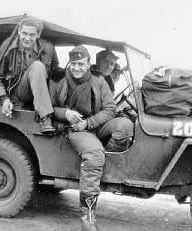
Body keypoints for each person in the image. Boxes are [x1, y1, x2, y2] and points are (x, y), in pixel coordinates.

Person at [49, 46, 133, 230]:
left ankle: (103, 168)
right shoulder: (59, 80)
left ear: (88, 64)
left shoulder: (99, 81)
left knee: (125, 126)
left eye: (81, 64)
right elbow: (49, 108)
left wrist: (88, 123)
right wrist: (66, 113)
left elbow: (110, 109)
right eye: (73, 64)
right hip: (75, 129)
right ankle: (87, 218)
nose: (77, 68)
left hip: (93, 125)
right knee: (95, 153)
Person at [0, 17, 60, 134]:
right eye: (24, 33)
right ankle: (45, 117)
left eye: (32, 35)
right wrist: (4, 99)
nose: (27, 38)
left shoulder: (49, 48)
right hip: (18, 95)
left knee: (38, 67)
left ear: (38, 35)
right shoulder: (8, 46)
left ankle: (45, 115)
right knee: (38, 66)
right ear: (19, 31)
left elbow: (56, 73)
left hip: (42, 94)